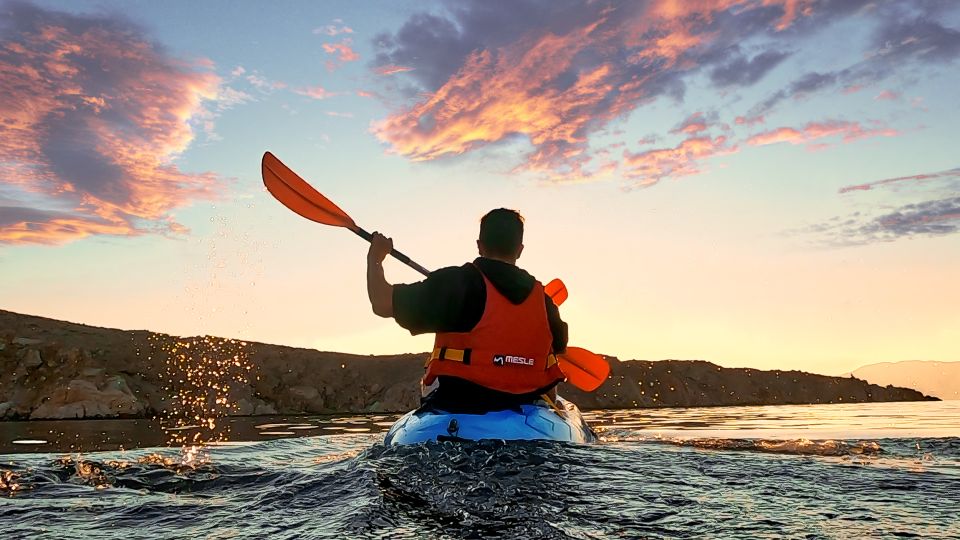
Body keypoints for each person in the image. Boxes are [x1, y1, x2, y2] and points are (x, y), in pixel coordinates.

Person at [365, 208, 567, 413]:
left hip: (458, 409)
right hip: (528, 414)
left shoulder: (456, 284)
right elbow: (556, 351)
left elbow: (382, 303)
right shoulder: (544, 301)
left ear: (479, 246)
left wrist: (376, 258)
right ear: (520, 249)